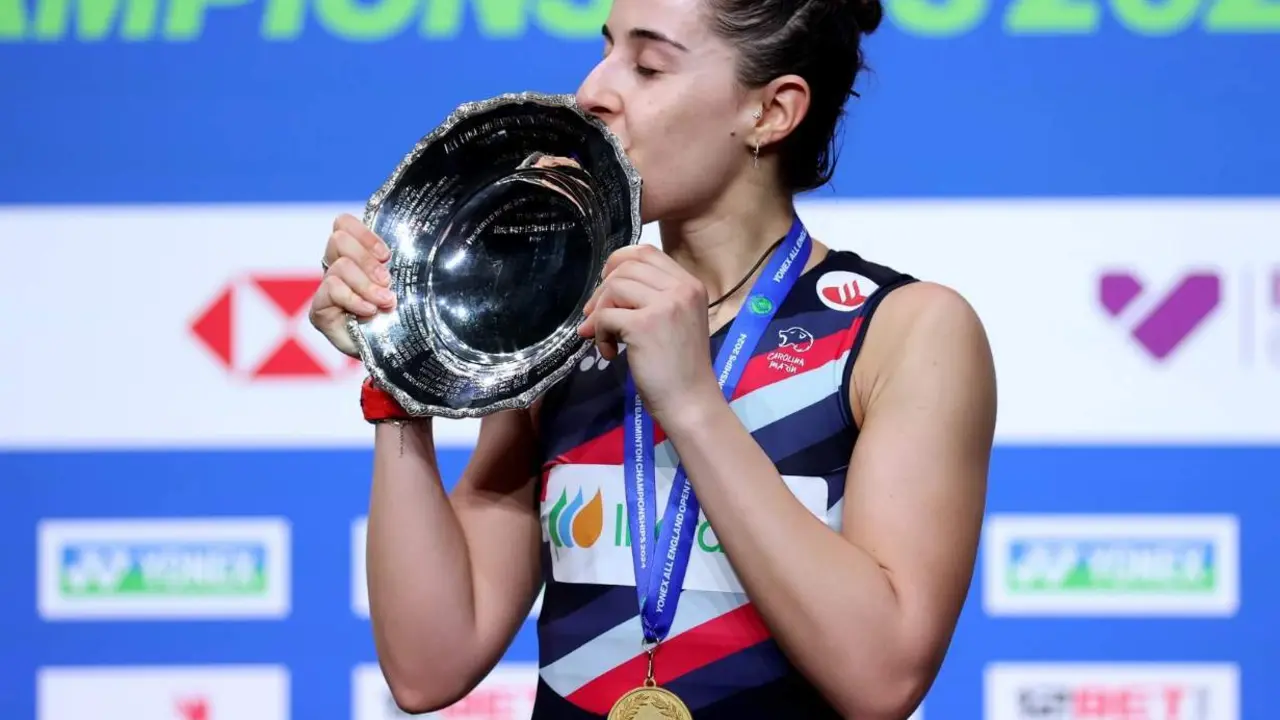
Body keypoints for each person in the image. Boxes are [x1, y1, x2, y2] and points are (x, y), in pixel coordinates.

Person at [309, 0, 997, 717]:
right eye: (606, 50)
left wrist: (692, 401)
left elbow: (883, 679)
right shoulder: (570, 323)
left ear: (771, 112)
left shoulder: (900, 331)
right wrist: (398, 368)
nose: (592, 92)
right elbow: (427, 668)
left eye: (648, 66)